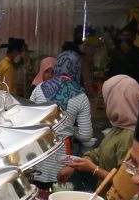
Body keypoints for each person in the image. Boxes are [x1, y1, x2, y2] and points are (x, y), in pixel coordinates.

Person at [59, 75, 139, 200]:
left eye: (107, 99)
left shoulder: (130, 136)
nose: (105, 103)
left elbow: (126, 182)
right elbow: (100, 152)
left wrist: (93, 169)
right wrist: (76, 165)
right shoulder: (119, 128)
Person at [31, 51, 94, 187]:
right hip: (61, 157)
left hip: (37, 153)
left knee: (37, 191)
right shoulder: (81, 97)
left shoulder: (39, 89)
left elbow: (28, 121)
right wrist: (70, 129)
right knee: (58, 190)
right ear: (77, 69)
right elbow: (86, 136)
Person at [108, 28, 139, 93]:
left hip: (136, 86)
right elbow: (112, 70)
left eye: (130, 35)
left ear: (134, 37)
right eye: (126, 35)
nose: (128, 37)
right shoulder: (115, 52)